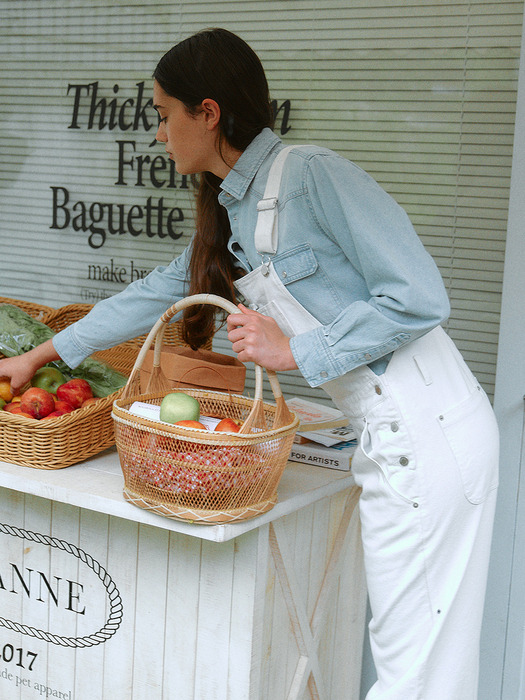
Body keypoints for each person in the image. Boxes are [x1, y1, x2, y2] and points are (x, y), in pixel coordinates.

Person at [0, 27, 499, 699]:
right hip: (391, 439)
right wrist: (40, 353)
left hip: (428, 434)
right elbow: (151, 295)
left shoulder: (313, 175)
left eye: (162, 113)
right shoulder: (234, 213)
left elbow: (416, 296)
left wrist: (297, 351)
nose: (157, 133)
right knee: (412, 663)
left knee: (417, 675)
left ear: (206, 113)